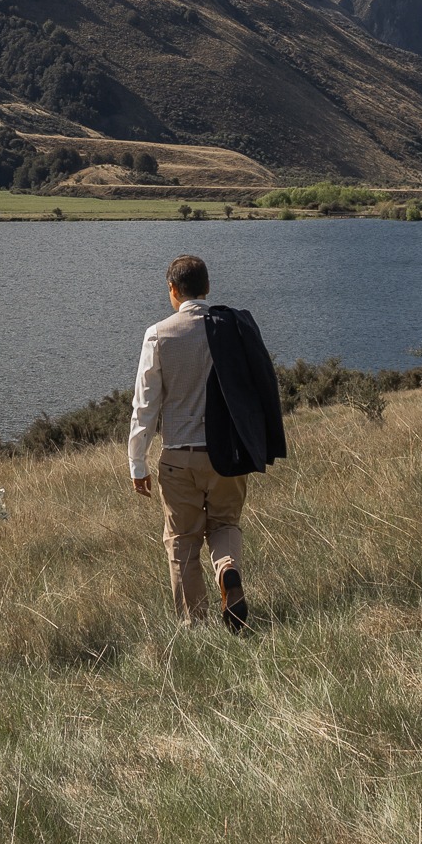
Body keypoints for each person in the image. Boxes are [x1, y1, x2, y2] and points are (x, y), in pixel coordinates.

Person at [128, 253, 286, 628]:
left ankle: (195, 626)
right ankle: (227, 569)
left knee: (182, 541)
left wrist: (137, 463)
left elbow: (145, 406)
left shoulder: (158, 335)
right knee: (225, 525)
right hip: (228, 455)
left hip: (178, 457)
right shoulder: (232, 328)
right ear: (208, 287)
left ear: (172, 289)